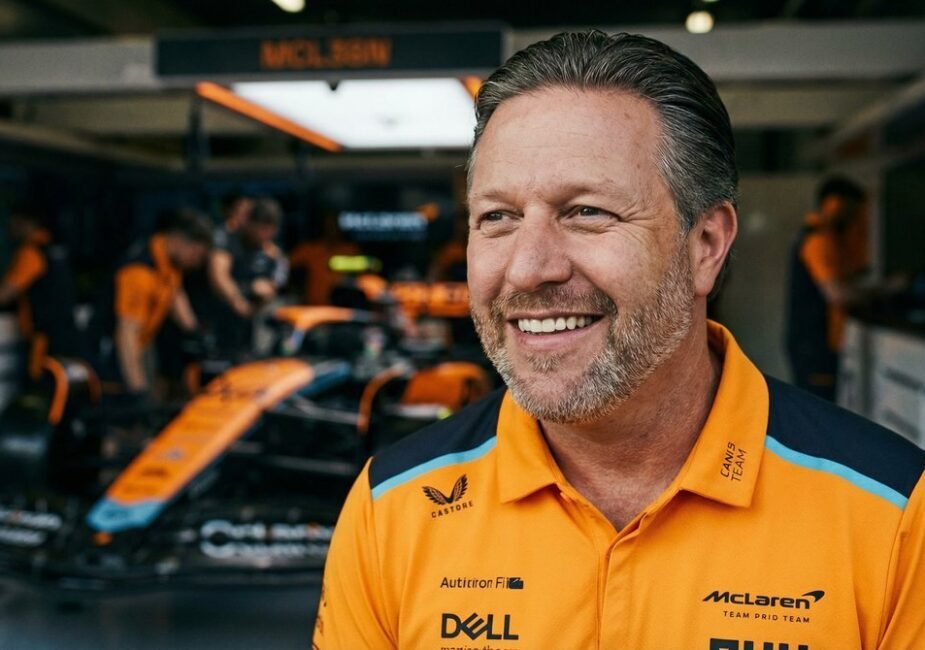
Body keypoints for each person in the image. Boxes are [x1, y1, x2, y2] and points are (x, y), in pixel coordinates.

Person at [314, 32, 925, 649]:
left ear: (706, 245)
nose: (528, 268)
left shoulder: (897, 517)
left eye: (587, 212)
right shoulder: (390, 508)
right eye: (497, 217)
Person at [93, 209, 212, 396]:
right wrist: (137, 390)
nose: (197, 262)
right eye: (197, 254)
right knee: (130, 405)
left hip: (142, 342)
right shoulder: (139, 273)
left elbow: (174, 292)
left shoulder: (168, 262)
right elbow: (127, 335)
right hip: (113, 354)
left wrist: (194, 331)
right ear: (180, 240)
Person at [785, 177, 874, 401]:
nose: (853, 218)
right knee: (817, 407)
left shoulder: (821, 236)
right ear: (834, 204)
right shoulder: (818, 239)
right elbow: (836, 293)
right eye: (851, 210)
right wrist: (877, 295)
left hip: (812, 343)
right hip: (814, 345)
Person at [0, 208, 80, 379]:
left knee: (42, 387)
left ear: (28, 223)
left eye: (14, 224)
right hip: (66, 334)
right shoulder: (56, 250)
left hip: (44, 340)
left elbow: (7, 293)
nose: (11, 230)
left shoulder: (31, 253)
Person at [208, 197, 287, 350]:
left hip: (256, 318)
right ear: (251, 223)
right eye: (262, 229)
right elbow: (218, 275)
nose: (265, 235)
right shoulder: (228, 239)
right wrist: (237, 301)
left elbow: (275, 283)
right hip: (224, 315)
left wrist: (264, 292)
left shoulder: (273, 252)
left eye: (270, 230)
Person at [289, 213, 360, 306]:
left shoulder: (350, 250)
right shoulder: (311, 249)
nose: (331, 230)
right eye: (328, 226)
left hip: (342, 308)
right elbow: (286, 262)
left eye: (334, 225)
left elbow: (360, 278)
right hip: (313, 307)